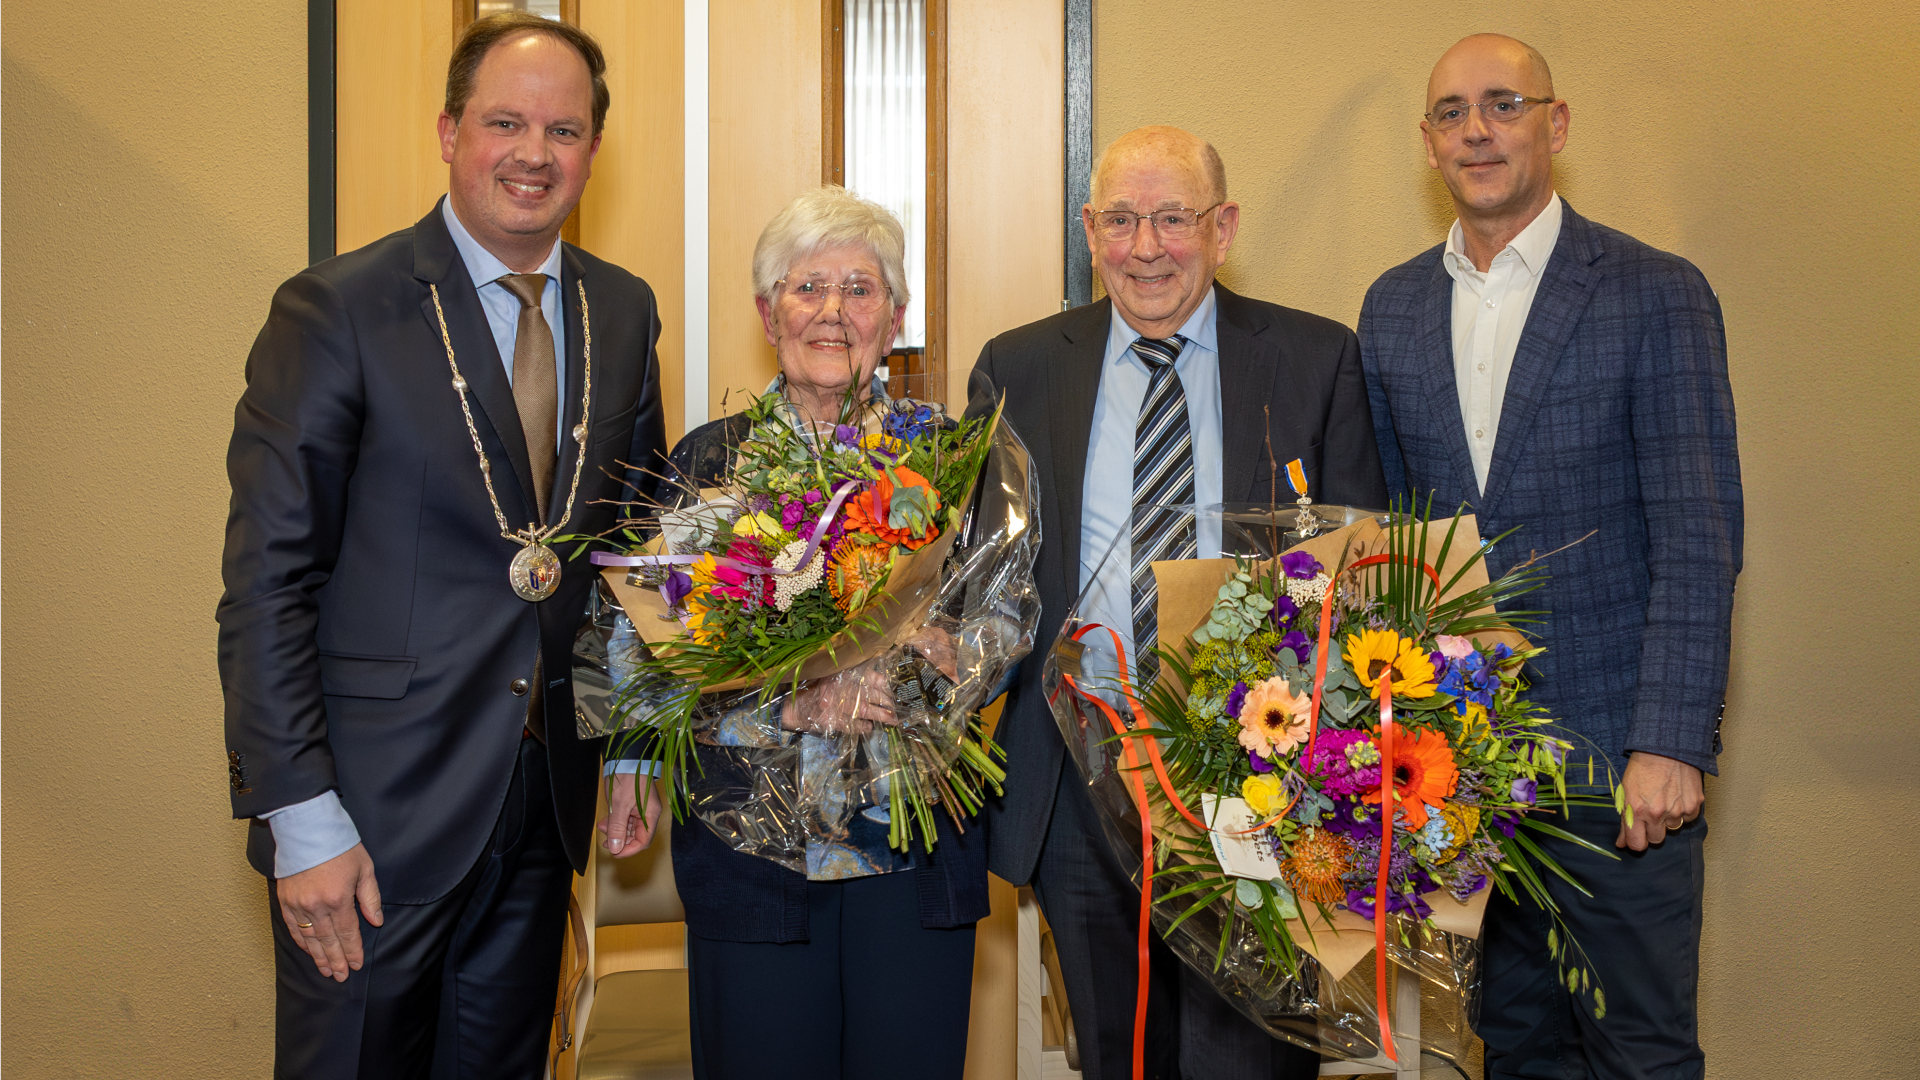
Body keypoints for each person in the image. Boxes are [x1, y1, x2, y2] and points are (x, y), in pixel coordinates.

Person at [217, 13, 667, 1077]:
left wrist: (633, 740)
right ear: (449, 131)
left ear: (594, 149)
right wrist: (301, 817)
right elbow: (269, 582)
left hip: (541, 805)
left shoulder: (621, 308)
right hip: (369, 819)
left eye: (563, 130)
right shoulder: (336, 310)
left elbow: (632, 548)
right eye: (505, 122)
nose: (533, 153)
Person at [965, 126, 1389, 1080]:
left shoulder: (1315, 358)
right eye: (1120, 220)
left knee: (1252, 1058)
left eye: (1172, 218)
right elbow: (981, 574)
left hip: (1260, 777)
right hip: (1081, 774)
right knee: (1117, 1054)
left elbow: (1362, 577)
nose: (1145, 247)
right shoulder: (1018, 366)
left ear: (1223, 228)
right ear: (1089, 231)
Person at [1358, 34, 1742, 1080]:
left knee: (1639, 1055)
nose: (1477, 130)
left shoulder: (1655, 291)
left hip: (1619, 773)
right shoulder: (1391, 307)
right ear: (1428, 142)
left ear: (1555, 124)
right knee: (1516, 1049)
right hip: (1469, 779)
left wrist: (1670, 742)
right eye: (1451, 113)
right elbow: (1400, 539)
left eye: (1503, 104)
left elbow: (1700, 538)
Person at [599, 186, 988, 1080]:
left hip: (914, 836)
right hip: (749, 850)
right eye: (807, 286)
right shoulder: (706, 463)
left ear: (895, 317)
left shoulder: (951, 460)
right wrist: (788, 701)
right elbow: (642, 651)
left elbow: (1002, 619)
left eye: (860, 289)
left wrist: (916, 672)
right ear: (767, 312)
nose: (832, 311)